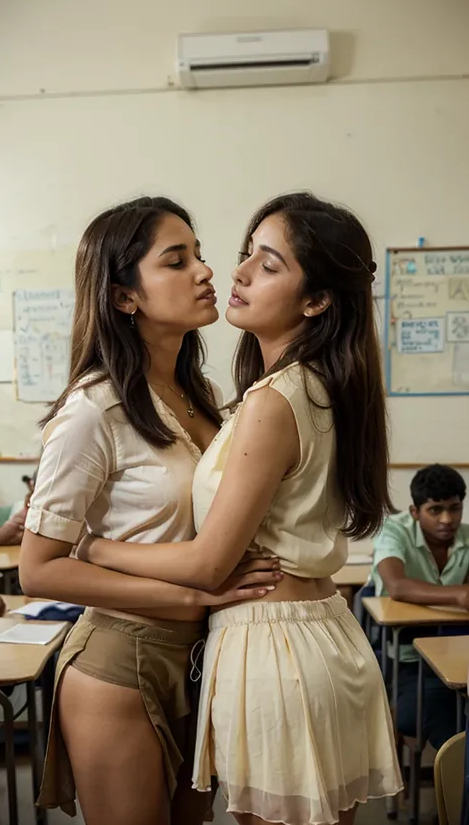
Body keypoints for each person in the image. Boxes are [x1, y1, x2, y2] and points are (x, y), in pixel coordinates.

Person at [80, 192, 403, 825]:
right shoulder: (317, 385)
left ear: (316, 301)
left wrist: (89, 546)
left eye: (269, 263)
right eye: (245, 254)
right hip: (321, 631)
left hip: (274, 647)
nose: (237, 272)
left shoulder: (274, 400)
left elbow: (207, 564)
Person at [19, 196, 281, 825]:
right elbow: (40, 570)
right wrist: (194, 599)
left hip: (202, 654)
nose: (206, 271)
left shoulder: (203, 397)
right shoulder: (93, 409)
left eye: (199, 254)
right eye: (176, 260)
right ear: (123, 296)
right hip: (121, 659)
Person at [371, 463, 469, 750]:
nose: (447, 519)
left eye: (455, 508)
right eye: (435, 509)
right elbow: (397, 587)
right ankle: (456, 781)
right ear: (415, 512)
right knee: (444, 722)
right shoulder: (394, 530)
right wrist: (459, 595)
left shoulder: (466, 536)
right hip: (407, 660)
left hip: (457, 654)